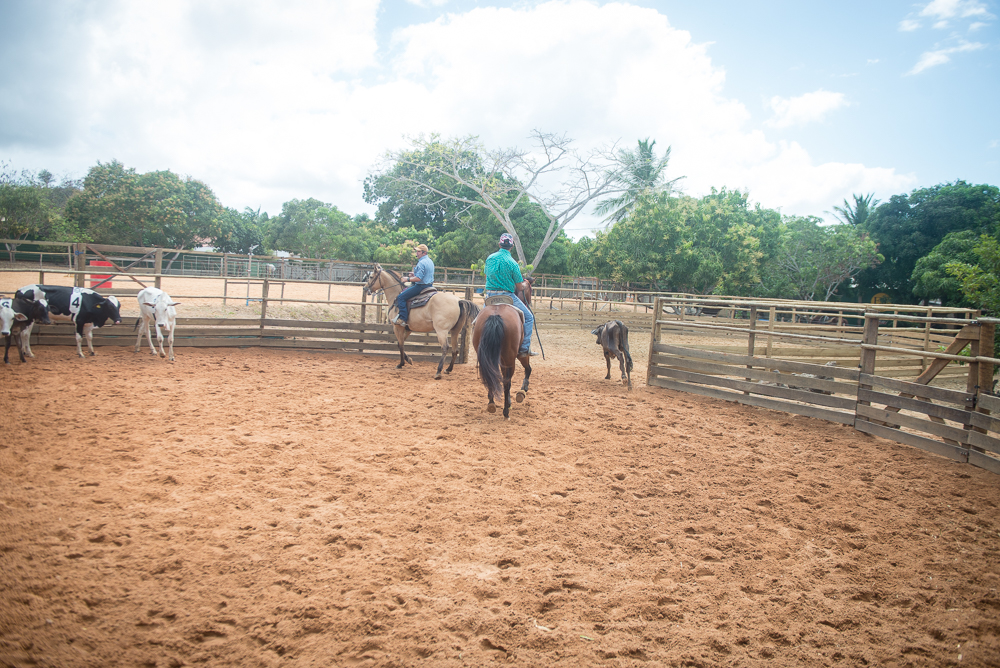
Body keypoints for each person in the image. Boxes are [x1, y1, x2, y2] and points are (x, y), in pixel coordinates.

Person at [484, 233, 534, 355]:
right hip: (507, 296)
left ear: (499, 244)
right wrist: (525, 285)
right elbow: (518, 286)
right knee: (529, 318)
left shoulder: (490, 258)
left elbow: (487, 276)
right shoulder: (512, 263)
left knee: (477, 320)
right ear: (511, 246)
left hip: (490, 296)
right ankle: (524, 349)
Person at [393, 243, 434, 327]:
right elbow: (425, 273)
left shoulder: (421, 262)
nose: (417, 253)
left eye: (418, 251)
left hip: (420, 286)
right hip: (430, 286)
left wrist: (407, 279)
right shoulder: (430, 261)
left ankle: (402, 319)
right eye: (417, 251)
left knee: (401, 297)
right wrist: (414, 273)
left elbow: (418, 279)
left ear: (424, 253)